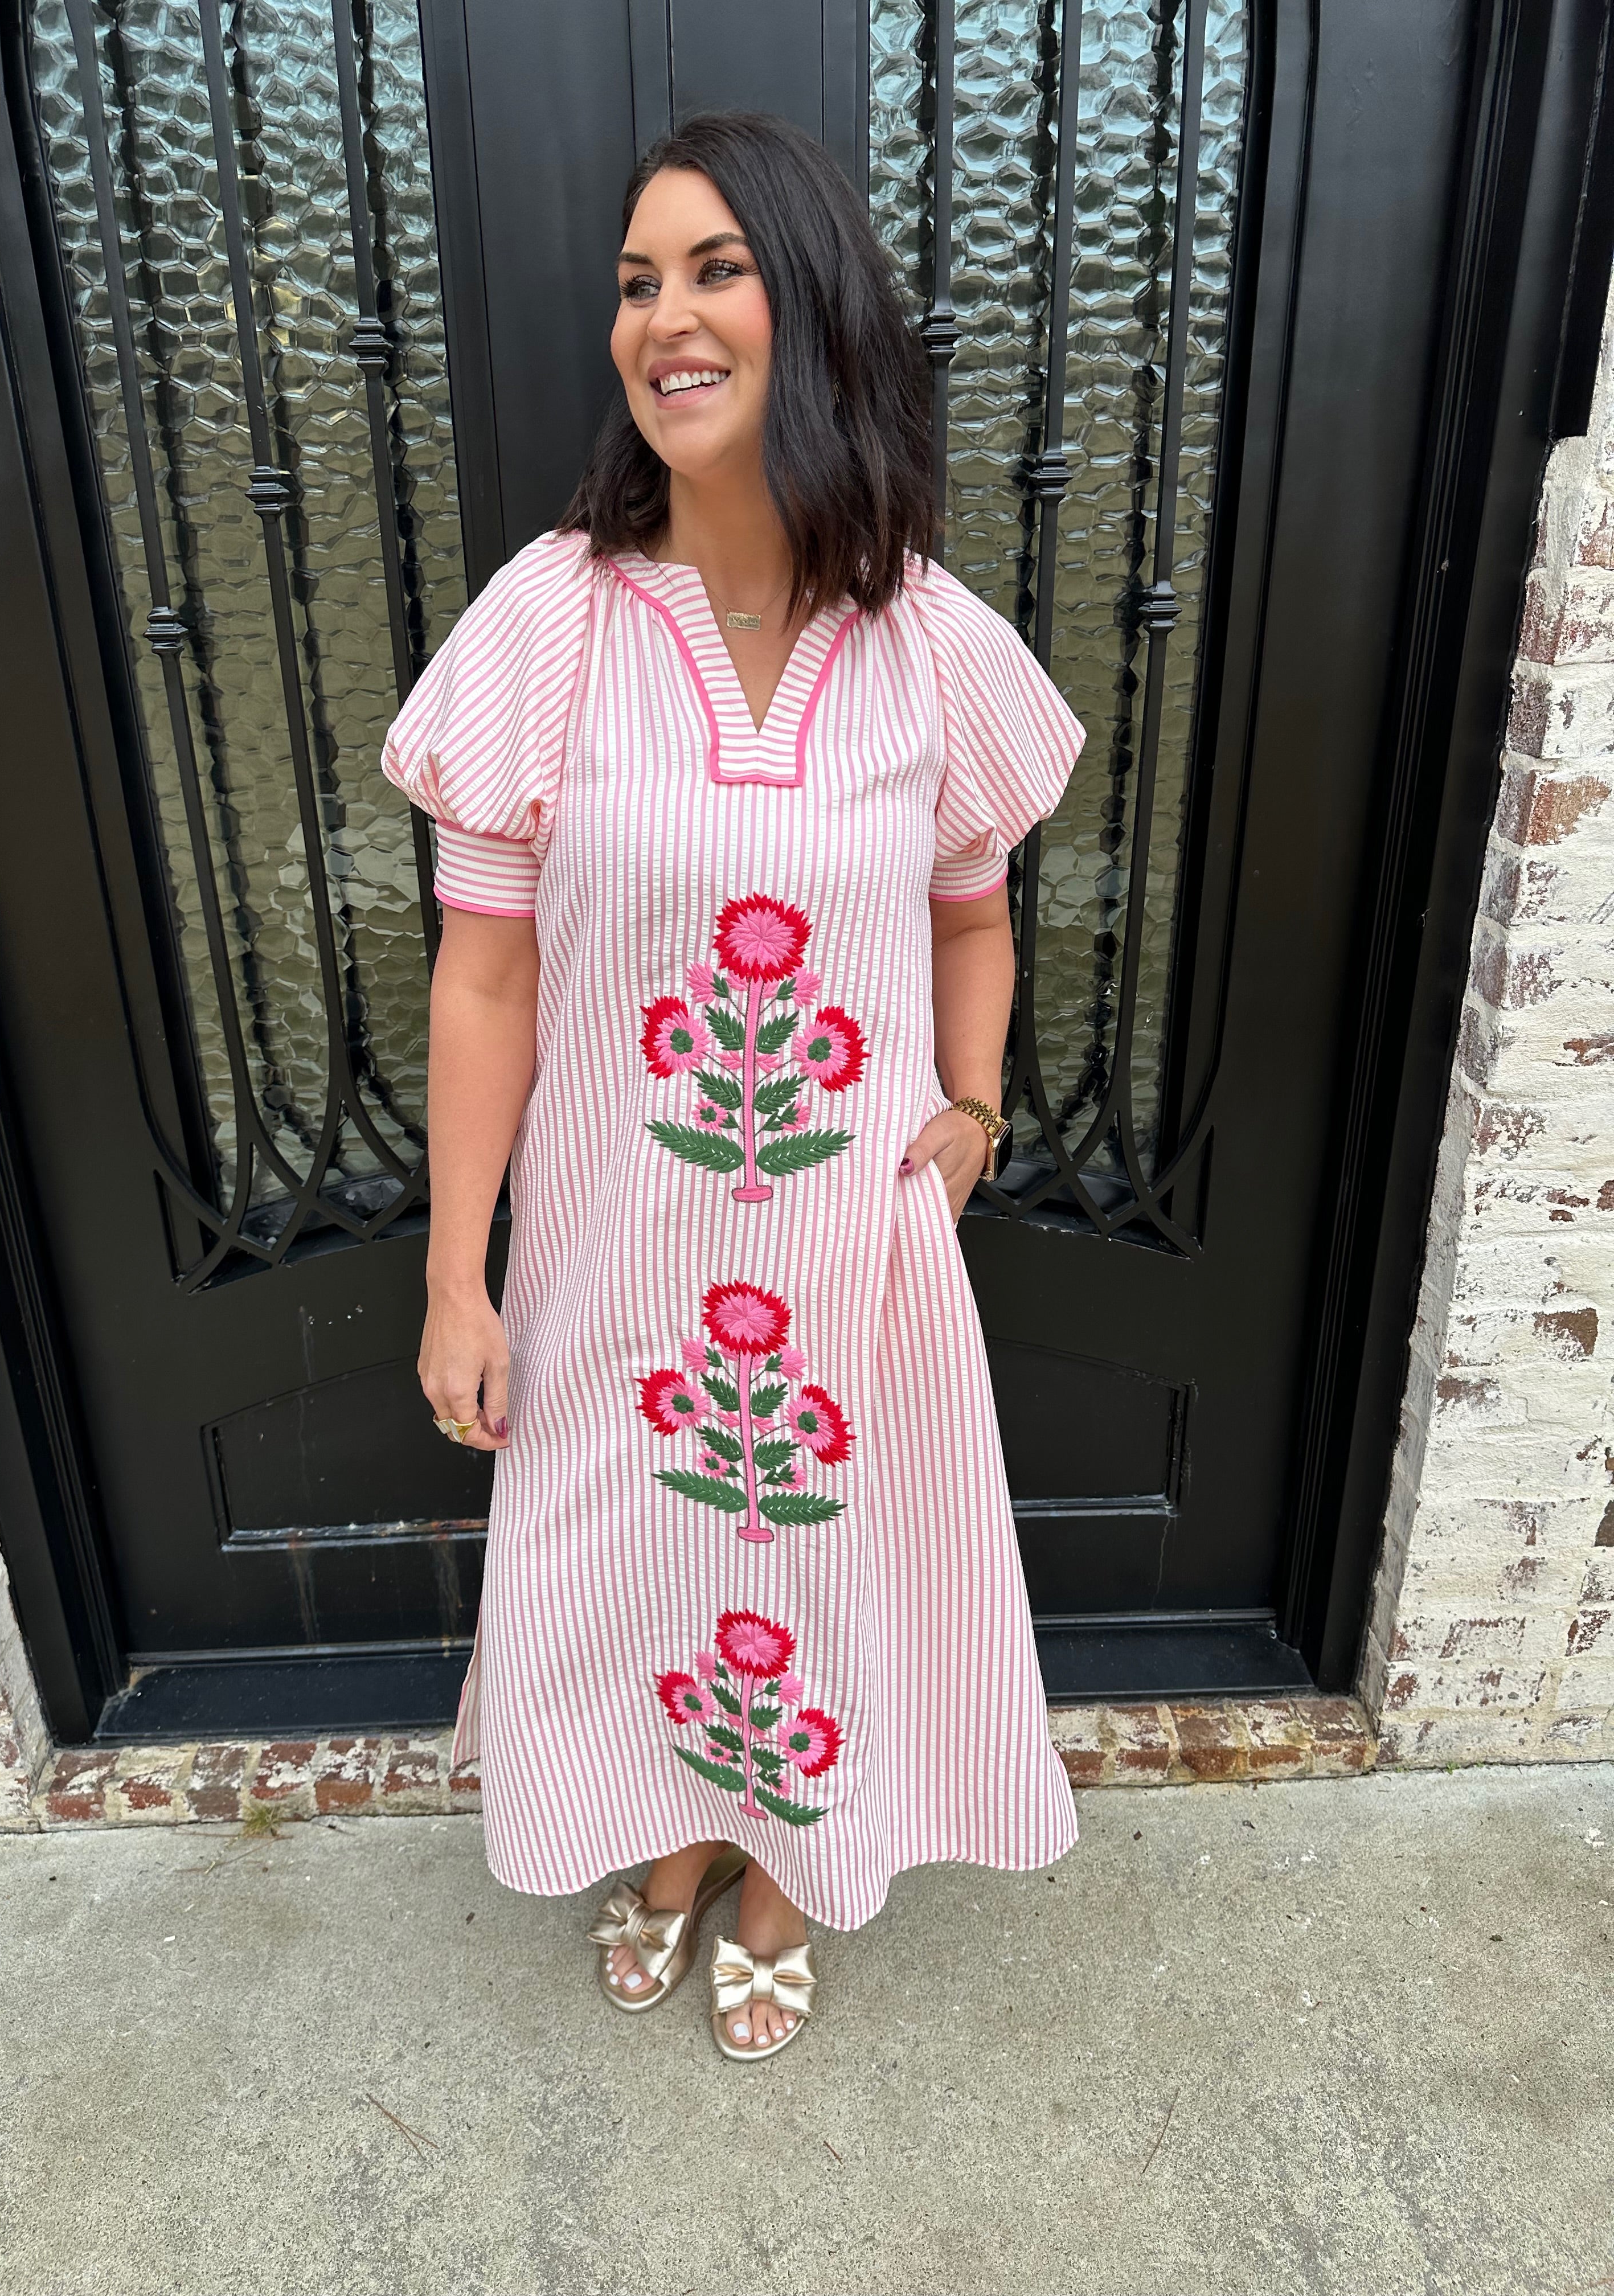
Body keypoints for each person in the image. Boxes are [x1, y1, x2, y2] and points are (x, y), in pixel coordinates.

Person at [382, 109, 1085, 2064]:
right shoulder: (548, 624)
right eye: (637, 283)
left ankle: (789, 1873)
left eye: (715, 271)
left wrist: (973, 1112)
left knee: (828, 1570)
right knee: (643, 1557)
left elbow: (972, 916)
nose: (663, 320)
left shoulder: (928, 642)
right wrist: (458, 1277)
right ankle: (681, 1835)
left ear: (816, 311)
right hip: (618, 1248)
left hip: (851, 1259)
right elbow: (487, 975)